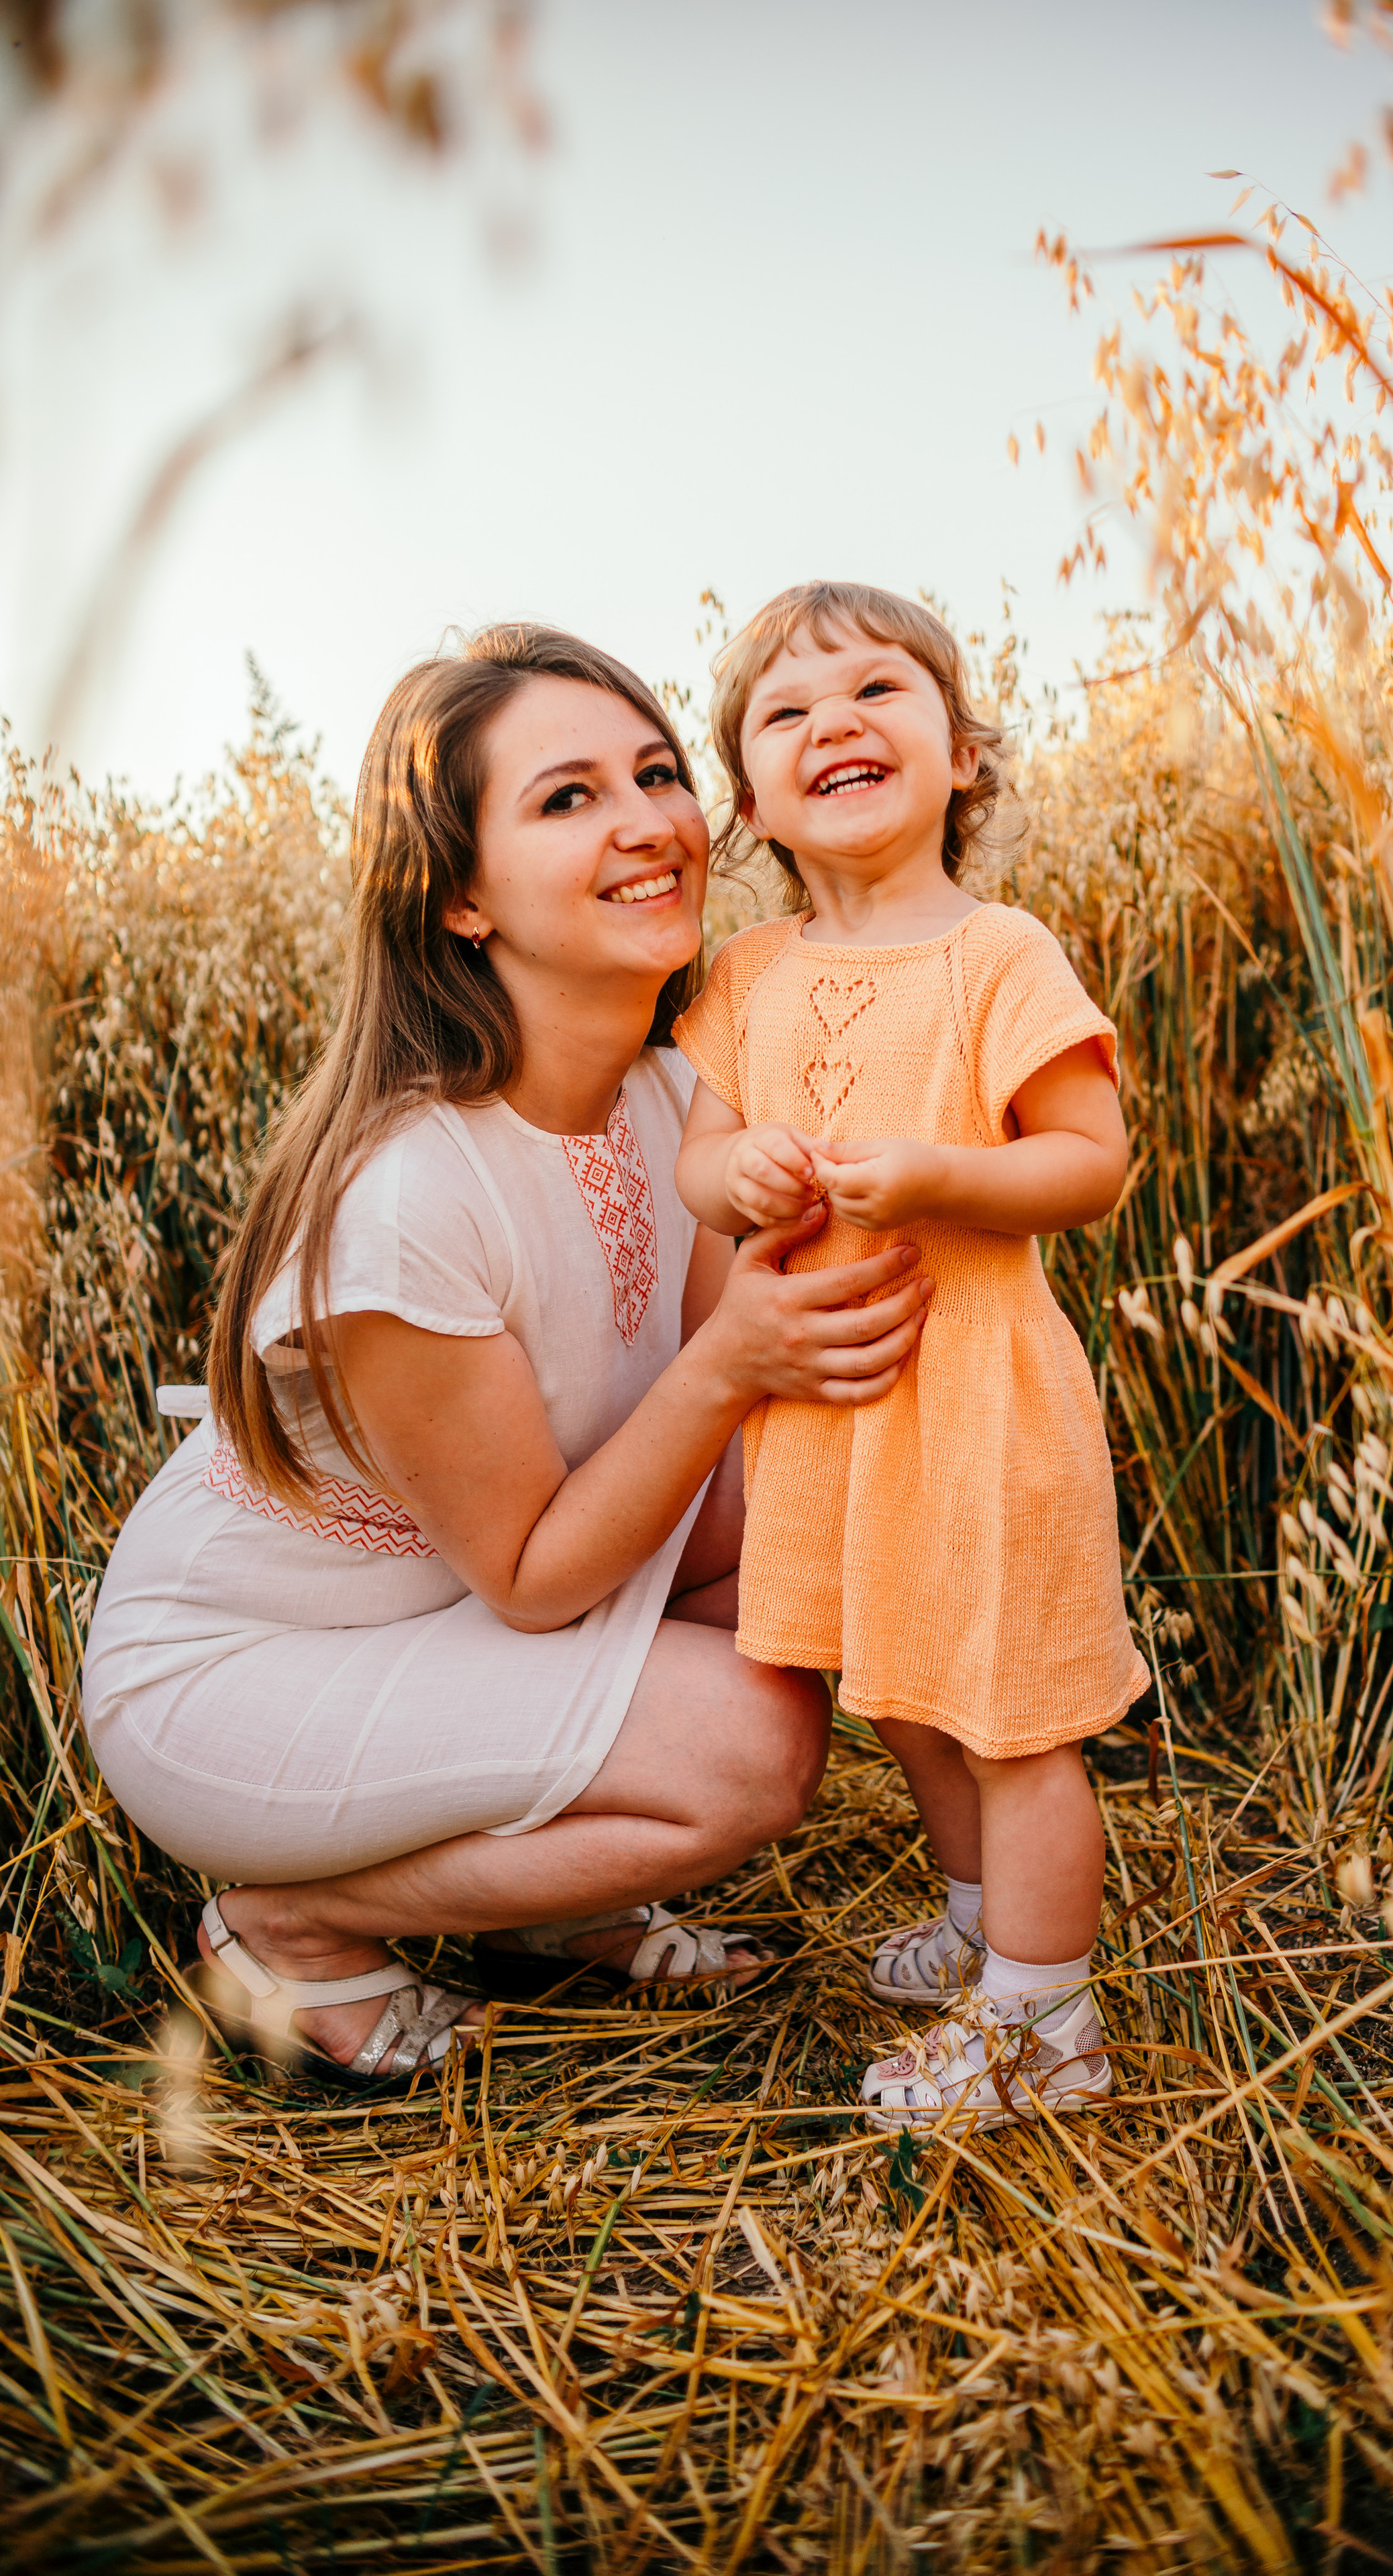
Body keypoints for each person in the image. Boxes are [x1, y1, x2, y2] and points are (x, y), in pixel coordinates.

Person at [81, 623, 932, 2090]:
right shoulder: (408, 1191)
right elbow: (541, 1579)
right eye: (566, 798)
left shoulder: (681, 1102)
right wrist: (733, 1361)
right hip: (240, 1673)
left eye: (656, 773)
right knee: (749, 1751)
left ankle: (555, 1894)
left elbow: (720, 1491)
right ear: (462, 897)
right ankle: (293, 1918)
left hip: (454, 1616)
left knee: (817, 1547)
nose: (646, 821)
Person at [673, 581, 1144, 2133]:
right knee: (907, 1695)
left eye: (878, 692)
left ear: (959, 754)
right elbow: (705, 1152)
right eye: (787, 714)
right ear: (747, 799)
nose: (837, 726)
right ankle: (972, 1920)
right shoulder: (746, 976)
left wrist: (942, 1175)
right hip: (836, 1409)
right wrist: (730, 1182)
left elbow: (1089, 1159)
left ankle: (1042, 2021)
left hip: (976, 1398)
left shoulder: (994, 953)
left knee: (1010, 1712)